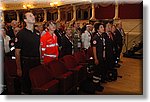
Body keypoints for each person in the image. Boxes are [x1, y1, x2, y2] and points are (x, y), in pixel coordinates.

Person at [15, 12, 41, 94]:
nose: (33, 16)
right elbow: (17, 52)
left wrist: (41, 59)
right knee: (26, 85)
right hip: (26, 62)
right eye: (30, 16)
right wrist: (19, 68)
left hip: (36, 62)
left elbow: (39, 47)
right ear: (25, 20)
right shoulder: (21, 34)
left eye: (33, 15)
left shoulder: (37, 33)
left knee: (36, 84)